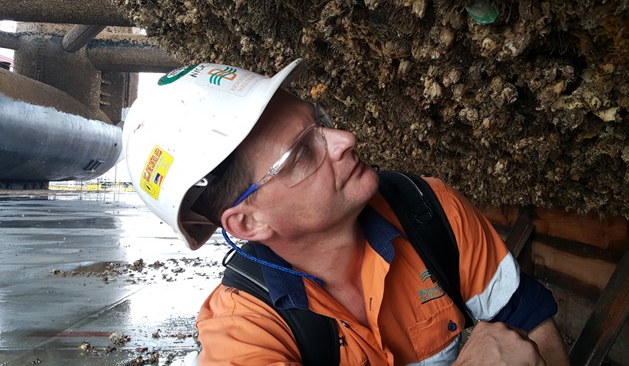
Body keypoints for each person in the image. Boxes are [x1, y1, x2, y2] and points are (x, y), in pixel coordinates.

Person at [123, 59, 569, 365]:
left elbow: (535, 327)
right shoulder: (245, 332)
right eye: (301, 154)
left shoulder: (429, 212)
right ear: (248, 222)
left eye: (319, 121)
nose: (345, 138)